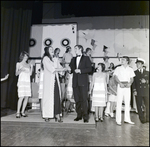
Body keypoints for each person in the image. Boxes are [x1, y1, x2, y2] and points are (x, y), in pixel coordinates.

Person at [67, 45, 92, 123]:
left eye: (76, 49)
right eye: (74, 49)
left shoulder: (86, 58)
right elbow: (71, 70)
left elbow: (90, 69)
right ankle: (78, 115)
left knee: (84, 100)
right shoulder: (73, 59)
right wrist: (68, 69)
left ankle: (85, 117)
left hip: (83, 82)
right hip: (75, 82)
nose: (75, 50)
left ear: (80, 49)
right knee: (77, 100)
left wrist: (81, 70)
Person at [41, 46, 66, 122]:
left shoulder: (55, 59)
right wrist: (62, 69)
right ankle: (46, 115)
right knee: (48, 98)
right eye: (50, 49)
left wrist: (64, 69)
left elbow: (60, 68)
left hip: (55, 81)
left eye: (52, 49)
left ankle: (57, 115)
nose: (52, 50)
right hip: (49, 82)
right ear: (47, 51)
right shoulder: (45, 59)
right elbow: (51, 69)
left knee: (57, 97)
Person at [113, 56, 135, 125]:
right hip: (120, 86)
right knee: (119, 103)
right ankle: (118, 120)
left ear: (127, 61)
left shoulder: (130, 69)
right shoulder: (118, 68)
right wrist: (119, 83)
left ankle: (127, 119)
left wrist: (130, 83)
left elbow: (132, 78)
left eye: (123, 60)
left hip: (127, 87)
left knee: (127, 103)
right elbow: (115, 77)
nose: (122, 61)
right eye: (122, 60)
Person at [15, 51, 33, 118]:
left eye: (27, 56)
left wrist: (32, 67)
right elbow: (16, 74)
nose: (26, 57)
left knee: (26, 97)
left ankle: (23, 112)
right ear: (22, 56)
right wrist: (21, 70)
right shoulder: (18, 64)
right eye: (25, 56)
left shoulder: (28, 64)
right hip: (22, 82)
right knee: (21, 97)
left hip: (27, 82)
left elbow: (30, 74)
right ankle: (18, 112)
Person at [132, 58, 149, 123]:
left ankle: (148, 118)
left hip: (146, 91)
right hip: (138, 91)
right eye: (137, 64)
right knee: (139, 105)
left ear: (142, 64)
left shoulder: (147, 72)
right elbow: (133, 83)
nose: (137, 65)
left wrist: (146, 81)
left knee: (147, 105)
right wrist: (134, 90)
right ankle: (142, 118)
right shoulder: (134, 73)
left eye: (139, 64)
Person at [85, 47, 95, 114]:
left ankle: (90, 107)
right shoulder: (85, 57)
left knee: (90, 89)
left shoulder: (90, 57)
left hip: (90, 74)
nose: (90, 53)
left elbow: (92, 64)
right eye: (89, 51)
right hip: (86, 74)